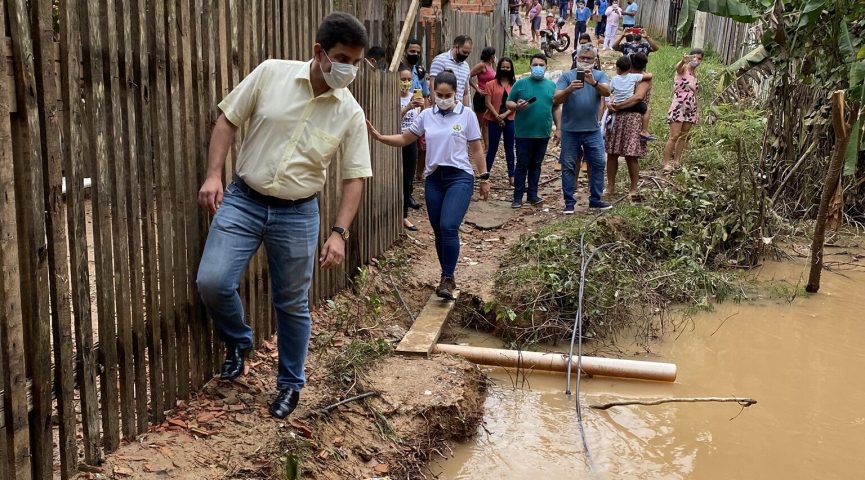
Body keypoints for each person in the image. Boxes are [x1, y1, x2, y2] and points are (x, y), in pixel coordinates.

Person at [196, 13, 371, 420]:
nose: (350, 68)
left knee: (292, 304)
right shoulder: (271, 73)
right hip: (243, 198)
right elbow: (227, 120)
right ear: (319, 52)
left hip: (298, 213)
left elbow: (355, 177)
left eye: (356, 61)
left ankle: (290, 385)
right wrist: (213, 174)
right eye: (343, 57)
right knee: (213, 281)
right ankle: (239, 340)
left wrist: (339, 233)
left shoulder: (349, 112)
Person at [367, 71, 490, 300]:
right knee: (438, 231)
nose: (443, 98)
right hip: (434, 178)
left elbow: (475, 148)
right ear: (433, 93)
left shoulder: (467, 115)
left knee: (448, 225)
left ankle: (447, 277)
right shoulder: (426, 116)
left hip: (459, 177)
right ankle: (446, 277)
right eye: (439, 94)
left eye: (448, 95)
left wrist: (484, 177)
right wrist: (380, 137)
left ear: (455, 93)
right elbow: (406, 138)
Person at [554, 44, 612, 213]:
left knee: (599, 163)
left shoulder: (600, 75)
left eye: (589, 58)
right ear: (576, 58)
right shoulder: (567, 76)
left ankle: (595, 199)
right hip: (570, 130)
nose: (585, 61)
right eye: (582, 58)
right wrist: (569, 89)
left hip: (592, 130)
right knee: (569, 166)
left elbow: (607, 92)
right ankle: (569, 203)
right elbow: (556, 99)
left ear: (595, 61)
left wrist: (593, 83)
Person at [507, 53, 559, 208]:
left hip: (543, 132)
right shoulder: (521, 84)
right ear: (530, 66)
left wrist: (559, 129)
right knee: (522, 164)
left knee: (536, 164)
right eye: (535, 64)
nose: (538, 67)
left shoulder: (551, 85)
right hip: (523, 132)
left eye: (541, 65)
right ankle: (517, 196)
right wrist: (516, 106)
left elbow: (556, 107)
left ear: (546, 67)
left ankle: (532, 194)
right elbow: (508, 102)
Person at [605, 52, 653, 198]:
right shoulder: (624, 78)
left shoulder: (641, 79)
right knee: (612, 153)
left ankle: (633, 189)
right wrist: (611, 104)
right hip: (619, 118)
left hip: (633, 119)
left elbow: (638, 97)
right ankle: (610, 186)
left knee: (631, 155)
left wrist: (618, 106)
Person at [663, 49, 703, 175]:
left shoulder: (695, 74)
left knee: (684, 136)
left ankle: (677, 161)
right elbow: (678, 67)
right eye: (694, 57)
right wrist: (683, 60)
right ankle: (666, 163)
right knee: (674, 136)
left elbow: (695, 93)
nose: (696, 60)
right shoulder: (683, 69)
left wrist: (697, 110)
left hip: (691, 106)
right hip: (679, 104)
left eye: (699, 59)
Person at [398, 66, 425, 230]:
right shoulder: (393, 98)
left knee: (408, 179)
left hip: (411, 141)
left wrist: (421, 108)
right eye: (403, 79)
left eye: (409, 80)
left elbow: (419, 121)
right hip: (396, 140)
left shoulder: (414, 96)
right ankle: (399, 215)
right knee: (396, 180)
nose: (406, 83)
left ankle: (404, 216)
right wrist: (408, 107)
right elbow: (391, 118)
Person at [484, 58, 517, 185]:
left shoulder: (515, 85)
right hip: (493, 118)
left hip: (510, 118)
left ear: (511, 69)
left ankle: (512, 175)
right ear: (499, 68)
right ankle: (485, 173)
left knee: (509, 148)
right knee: (492, 147)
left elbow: (516, 103)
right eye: (503, 67)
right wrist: (497, 116)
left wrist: (504, 115)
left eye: (508, 67)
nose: (505, 69)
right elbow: (487, 103)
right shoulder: (490, 84)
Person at [607, 55, 652, 140]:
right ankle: (644, 131)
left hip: (618, 108)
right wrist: (650, 74)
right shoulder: (635, 77)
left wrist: (616, 105)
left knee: (616, 147)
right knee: (647, 109)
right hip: (632, 113)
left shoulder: (614, 79)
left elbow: (609, 92)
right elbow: (638, 98)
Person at [430, 35, 474, 107]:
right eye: (464, 52)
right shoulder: (440, 60)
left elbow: (465, 92)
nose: (466, 55)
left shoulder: (466, 66)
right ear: (456, 47)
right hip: (442, 107)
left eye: (468, 53)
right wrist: (436, 107)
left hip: (459, 110)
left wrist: (467, 110)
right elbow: (433, 85)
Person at [469, 47, 497, 148]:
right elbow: (468, 76)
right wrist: (477, 89)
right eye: (494, 55)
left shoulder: (491, 66)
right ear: (490, 56)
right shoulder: (482, 65)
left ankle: (487, 146)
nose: (495, 57)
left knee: (487, 123)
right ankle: (478, 146)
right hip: (481, 97)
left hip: (490, 98)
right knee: (481, 123)